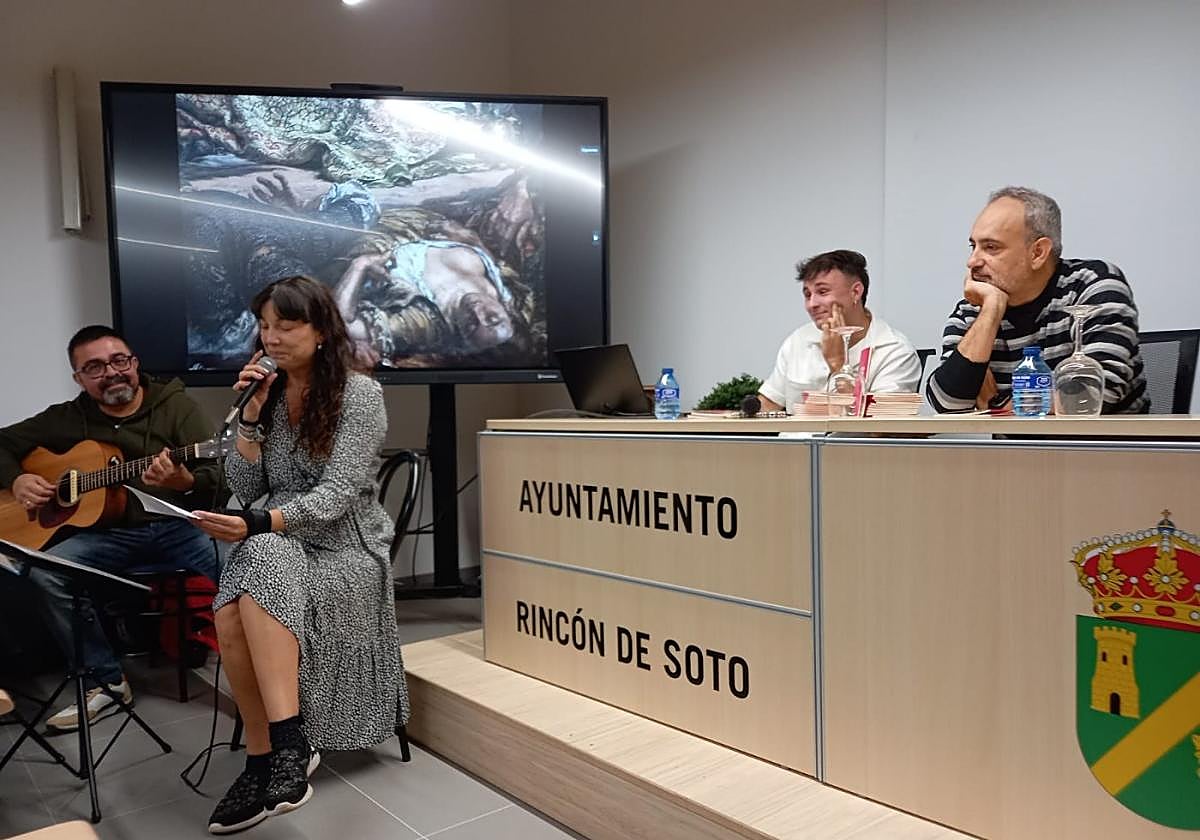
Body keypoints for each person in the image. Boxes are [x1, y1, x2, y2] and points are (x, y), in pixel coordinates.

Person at [191, 276, 409, 834]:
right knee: (252, 573)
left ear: (321, 331)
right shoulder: (261, 392)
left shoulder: (359, 396)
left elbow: (337, 497)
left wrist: (258, 522)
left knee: (253, 563)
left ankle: (273, 751)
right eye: (264, 326)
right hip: (279, 536)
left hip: (345, 542)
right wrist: (248, 418)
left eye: (286, 326)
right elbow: (245, 480)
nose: (272, 338)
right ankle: (277, 750)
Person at [0, 326, 223, 730]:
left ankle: (271, 668)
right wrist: (16, 479)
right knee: (44, 570)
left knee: (243, 561)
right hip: (107, 536)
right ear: (79, 379)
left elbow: (219, 475)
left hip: (177, 527)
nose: (112, 372)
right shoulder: (67, 419)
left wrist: (186, 483)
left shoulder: (176, 407)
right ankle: (106, 681)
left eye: (120, 361)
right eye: (95, 367)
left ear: (134, 364)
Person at [926, 187, 1148, 414]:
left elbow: (1094, 396)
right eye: (974, 246)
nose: (972, 261)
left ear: (1038, 253)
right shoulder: (973, 309)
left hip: (1106, 447)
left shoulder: (1093, 285)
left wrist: (998, 404)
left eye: (991, 247)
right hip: (1019, 450)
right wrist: (991, 311)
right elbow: (947, 405)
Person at [758, 249, 921, 412]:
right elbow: (769, 404)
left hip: (846, 438)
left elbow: (882, 426)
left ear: (855, 292)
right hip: (796, 437)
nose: (811, 304)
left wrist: (839, 366)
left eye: (822, 292)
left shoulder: (895, 350)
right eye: (807, 295)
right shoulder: (799, 339)